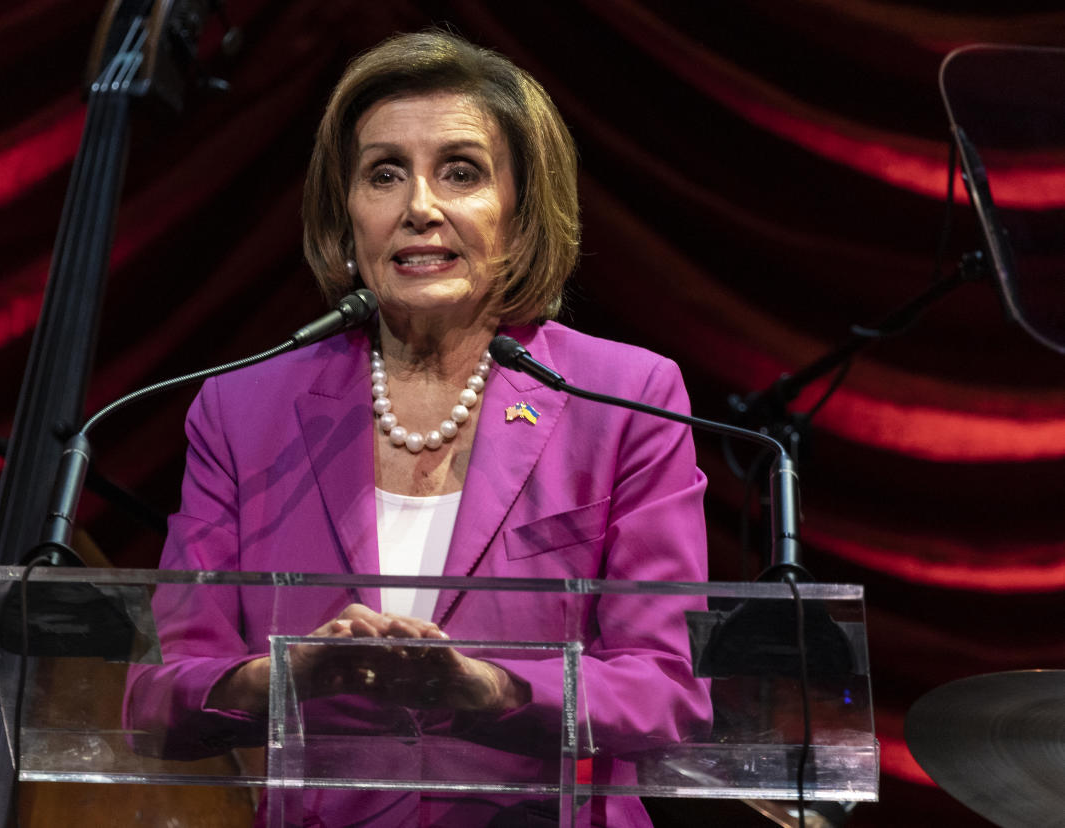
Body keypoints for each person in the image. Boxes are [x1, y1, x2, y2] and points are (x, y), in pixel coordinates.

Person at [124, 29, 710, 826]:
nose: (419, 208)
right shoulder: (240, 410)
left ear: (521, 210)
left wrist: (489, 686)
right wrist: (289, 675)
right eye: (384, 174)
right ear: (348, 211)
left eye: (461, 172)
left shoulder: (625, 398)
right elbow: (159, 697)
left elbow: (667, 689)